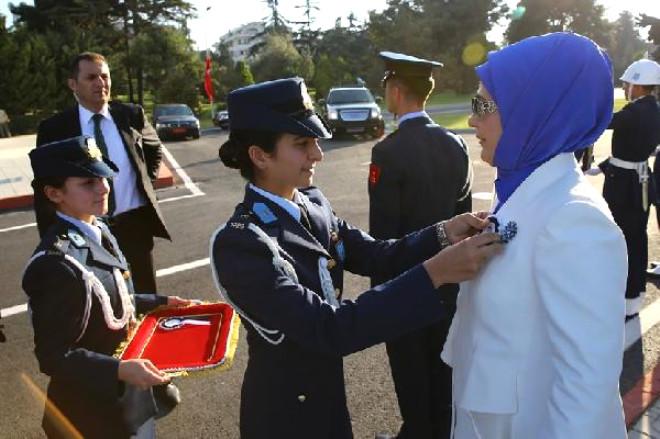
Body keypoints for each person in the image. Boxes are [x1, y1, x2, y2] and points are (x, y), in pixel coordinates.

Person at [210, 77, 503, 439]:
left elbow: (375, 255)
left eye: (314, 141)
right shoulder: (242, 243)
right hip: (285, 416)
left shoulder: (312, 203)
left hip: (329, 402)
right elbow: (330, 329)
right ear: (259, 156)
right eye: (302, 144)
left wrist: (442, 232)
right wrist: (434, 274)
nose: (317, 155)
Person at [441, 33, 628, 438]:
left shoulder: (574, 217)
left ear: (533, 108)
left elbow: (587, 389)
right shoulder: (521, 190)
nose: (472, 119)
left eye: (483, 104)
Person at [22, 136, 191, 438]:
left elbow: (113, 299)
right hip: (90, 414)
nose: (103, 187)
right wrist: (119, 370)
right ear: (54, 193)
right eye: (88, 182)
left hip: (128, 400)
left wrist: (160, 302)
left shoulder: (97, 228)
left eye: (103, 176)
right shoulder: (57, 263)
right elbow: (53, 357)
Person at [369, 51, 472, 439]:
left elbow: (383, 234)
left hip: (407, 282)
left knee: (411, 374)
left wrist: (380, 296)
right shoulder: (455, 143)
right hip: (451, 281)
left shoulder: (388, 151)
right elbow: (462, 218)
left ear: (396, 92)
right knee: (442, 370)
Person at [35, 52, 170, 294]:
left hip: (134, 226)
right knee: (101, 301)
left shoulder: (131, 115)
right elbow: (45, 186)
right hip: (85, 232)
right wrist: (50, 240)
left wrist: (145, 182)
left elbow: (154, 148)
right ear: (73, 84)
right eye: (91, 77)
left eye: (105, 76)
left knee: (146, 298)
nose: (101, 83)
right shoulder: (55, 129)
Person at [598, 58, 660, 315]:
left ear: (638, 85)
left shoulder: (636, 112)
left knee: (623, 239)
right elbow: (632, 148)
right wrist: (603, 165)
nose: (624, 87)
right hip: (637, 180)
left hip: (624, 186)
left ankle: (627, 293)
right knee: (636, 238)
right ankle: (633, 294)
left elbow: (604, 122)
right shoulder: (652, 109)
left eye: (627, 83)